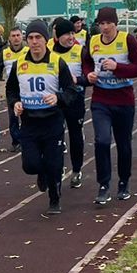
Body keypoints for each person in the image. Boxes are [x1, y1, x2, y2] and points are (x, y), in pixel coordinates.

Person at [6, 18, 79, 216]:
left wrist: (58, 97)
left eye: (38, 37)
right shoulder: (19, 64)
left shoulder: (57, 62)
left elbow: (72, 91)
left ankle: (54, 198)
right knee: (30, 165)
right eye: (30, 37)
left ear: (46, 40)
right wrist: (15, 104)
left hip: (52, 121)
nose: (34, 41)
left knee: (54, 163)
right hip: (29, 121)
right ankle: (41, 174)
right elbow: (11, 90)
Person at [81, 6, 137, 205]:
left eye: (108, 23)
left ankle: (124, 181)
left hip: (124, 100)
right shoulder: (93, 41)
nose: (105, 27)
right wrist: (88, 74)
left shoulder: (127, 40)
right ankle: (103, 185)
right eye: (101, 23)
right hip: (101, 100)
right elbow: (85, 63)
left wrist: (118, 67)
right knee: (101, 141)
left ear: (115, 24)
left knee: (123, 144)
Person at [50, 16, 88, 188]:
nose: (71, 37)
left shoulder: (81, 51)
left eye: (73, 33)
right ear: (57, 37)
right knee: (55, 136)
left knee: (75, 135)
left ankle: (77, 169)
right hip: (56, 101)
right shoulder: (49, 52)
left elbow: (89, 76)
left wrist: (78, 79)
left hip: (75, 100)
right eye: (67, 34)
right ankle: (57, 168)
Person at [0, 25, 27, 151]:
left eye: (18, 35)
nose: (16, 38)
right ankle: (16, 142)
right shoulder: (5, 53)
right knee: (13, 118)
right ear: (9, 38)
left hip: (27, 88)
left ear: (22, 37)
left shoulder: (28, 51)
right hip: (12, 90)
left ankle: (28, 140)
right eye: (13, 36)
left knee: (28, 117)